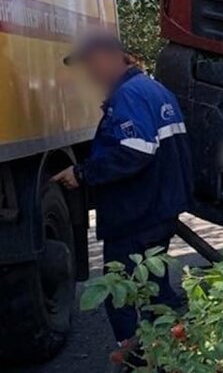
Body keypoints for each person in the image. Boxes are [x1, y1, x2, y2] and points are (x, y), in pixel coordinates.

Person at [51, 31, 193, 356]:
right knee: (154, 288)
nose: (90, 72)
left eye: (92, 63)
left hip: (136, 213)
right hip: (157, 209)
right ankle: (176, 352)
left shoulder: (128, 95)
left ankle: (134, 360)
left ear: (113, 58)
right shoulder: (152, 90)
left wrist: (82, 172)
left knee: (120, 291)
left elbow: (135, 151)